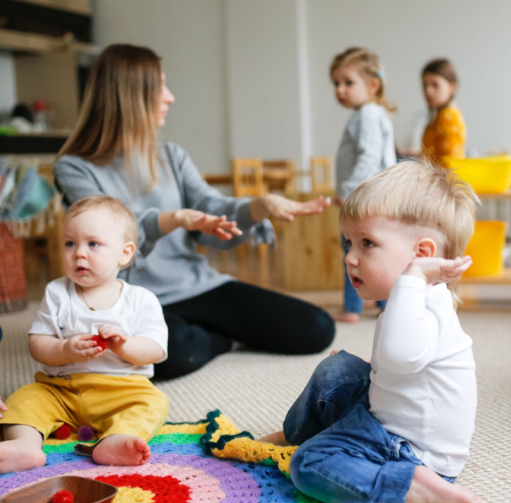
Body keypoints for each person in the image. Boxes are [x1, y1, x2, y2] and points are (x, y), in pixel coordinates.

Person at [53, 44, 335, 381]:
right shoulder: (74, 168)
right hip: (130, 297)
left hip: (195, 285)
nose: (169, 97)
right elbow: (111, 234)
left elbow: (211, 210)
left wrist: (259, 206)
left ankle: (207, 330)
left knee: (316, 328)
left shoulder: (171, 156)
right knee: (169, 358)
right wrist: (172, 219)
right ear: (129, 96)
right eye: (160, 87)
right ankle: (219, 337)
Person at [262, 160, 481, 503]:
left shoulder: (424, 302)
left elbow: (397, 357)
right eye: (349, 243)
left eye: (367, 243)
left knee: (309, 464)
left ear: (421, 256)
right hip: (396, 417)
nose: (350, 258)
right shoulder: (417, 298)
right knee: (338, 371)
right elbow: (397, 369)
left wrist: (411, 279)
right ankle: (294, 432)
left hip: (411, 450)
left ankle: (408, 486)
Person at [0, 196, 169, 474]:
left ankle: (114, 440)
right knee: (22, 398)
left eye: (93, 244)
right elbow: (37, 344)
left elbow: (156, 349)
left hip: (121, 389)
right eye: (70, 243)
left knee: (153, 402)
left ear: (124, 253)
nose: (79, 253)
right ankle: (24, 445)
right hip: (62, 388)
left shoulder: (141, 299)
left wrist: (125, 346)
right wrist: (64, 350)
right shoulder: (57, 292)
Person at [330, 47, 397, 323]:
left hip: (366, 195)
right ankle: (382, 301)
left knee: (354, 249)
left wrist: (348, 191)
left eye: (348, 82)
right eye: (336, 83)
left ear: (372, 85)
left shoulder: (367, 114)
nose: (340, 89)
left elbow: (369, 155)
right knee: (373, 247)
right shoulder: (370, 112)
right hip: (376, 195)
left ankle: (351, 307)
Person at [421, 58, 466, 166]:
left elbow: (449, 164)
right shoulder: (439, 116)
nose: (428, 91)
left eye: (435, 85)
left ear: (452, 87)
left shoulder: (448, 117)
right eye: (425, 85)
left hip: (442, 182)